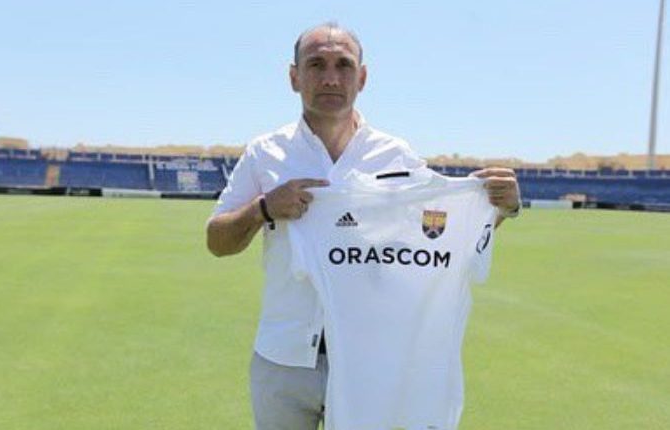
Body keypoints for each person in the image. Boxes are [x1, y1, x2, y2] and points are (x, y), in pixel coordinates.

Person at [205, 22, 520, 430]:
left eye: (343, 65)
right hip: (284, 358)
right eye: (316, 64)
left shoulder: (395, 155)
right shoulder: (265, 153)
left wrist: (498, 209)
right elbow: (217, 241)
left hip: (371, 363)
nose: (330, 77)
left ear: (363, 77)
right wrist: (263, 209)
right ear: (294, 77)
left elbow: (440, 235)